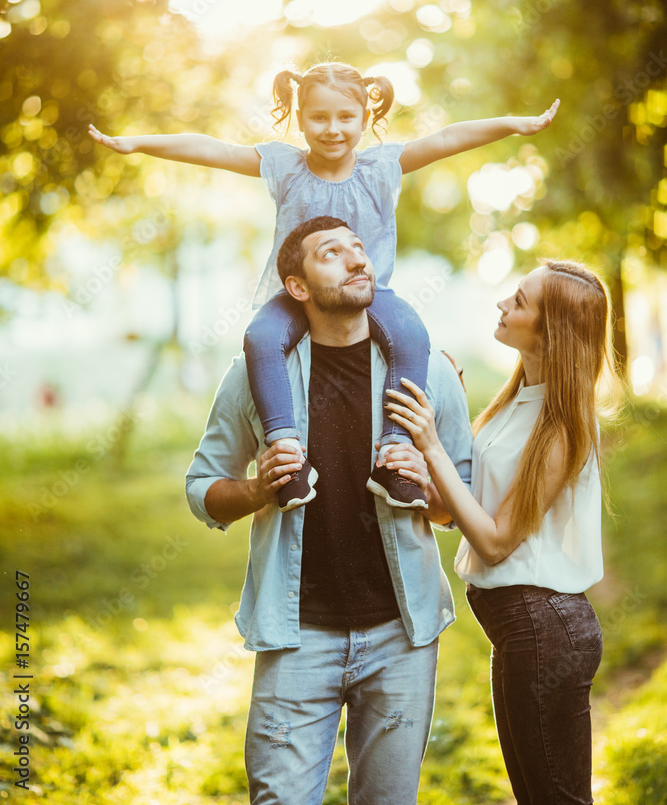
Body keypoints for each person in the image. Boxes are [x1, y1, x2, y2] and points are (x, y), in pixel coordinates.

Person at [90, 61, 559, 512]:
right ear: (299, 117)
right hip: (296, 296)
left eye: (345, 117)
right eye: (318, 117)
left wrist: (515, 124)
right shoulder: (283, 165)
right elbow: (211, 148)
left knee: (413, 336)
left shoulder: (381, 167)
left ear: (365, 117)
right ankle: (287, 452)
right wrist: (136, 144)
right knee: (259, 337)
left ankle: (393, 459)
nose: (332, 129)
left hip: (369, 297)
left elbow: (449, 138)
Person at [185, 216, 473, 805]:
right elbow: (202, 488)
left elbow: (459, 507)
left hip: (402, 638)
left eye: (359, 249)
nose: (355, 259)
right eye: (331, 252)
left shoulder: (430, 373)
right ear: (297, 286)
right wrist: (258, 490)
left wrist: (431, 485)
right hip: (295, 640)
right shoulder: (252, 377)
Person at [384, 259, 617, 805]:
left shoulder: (565, 423)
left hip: (546, 628)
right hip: (518, 630)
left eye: (519, 301)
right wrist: (434, 452)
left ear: (549, 331)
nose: (502, 305)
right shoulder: (515, 401)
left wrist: (433, 447)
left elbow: (494, 542)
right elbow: (464, 518)